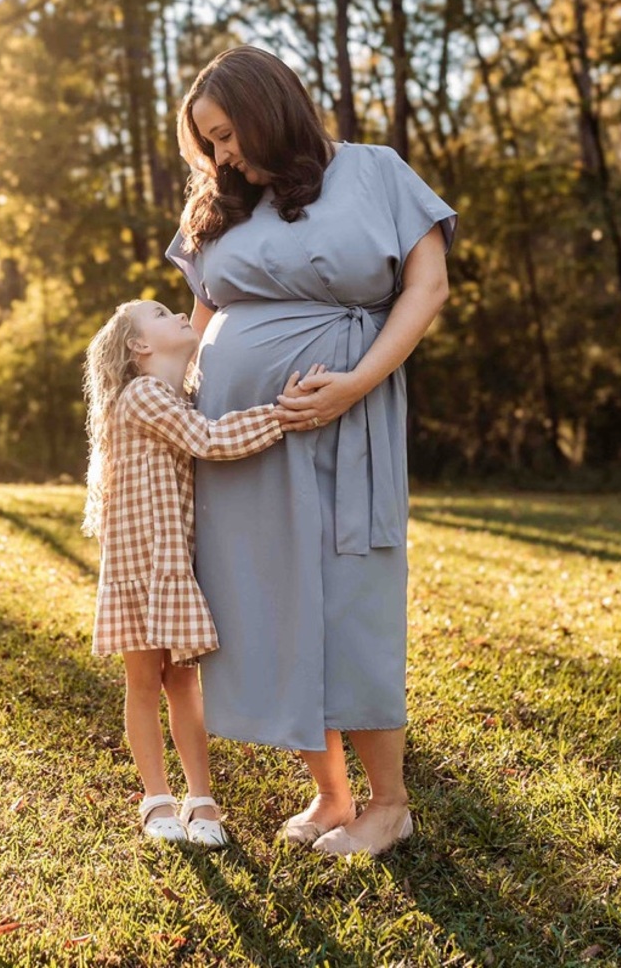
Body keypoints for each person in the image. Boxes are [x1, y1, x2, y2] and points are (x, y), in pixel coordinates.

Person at [165, 46, 458, 856]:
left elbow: (428, 286)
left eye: (227, 135)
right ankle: (331, 796)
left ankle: (389, 803)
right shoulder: (219, 206)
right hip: (235, 444)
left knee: (349, 598)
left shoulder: (374, 172)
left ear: (267, 108)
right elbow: (199, 321)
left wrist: (355, 383)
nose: (223, 155)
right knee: (268, 603)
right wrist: (163, 417)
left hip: (344, 424)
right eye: (209, 143)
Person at [82, 298, 318, 846]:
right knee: (145, 683)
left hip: (171, 563)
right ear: (139, 346)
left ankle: (201, 799)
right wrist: (281, 414)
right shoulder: (143, 395)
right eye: (161, 313)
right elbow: (210, 440)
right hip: (142, 564)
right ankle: (157, 800)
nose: (178, 315)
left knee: (183, 682)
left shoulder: (176, 397)